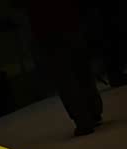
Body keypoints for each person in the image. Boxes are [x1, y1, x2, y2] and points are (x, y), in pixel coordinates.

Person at [27, 0, 102, 137]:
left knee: (65, 78)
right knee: (81, 70)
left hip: (47, 30)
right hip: (70, 22)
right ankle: (94, 111)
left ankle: (83, 119)